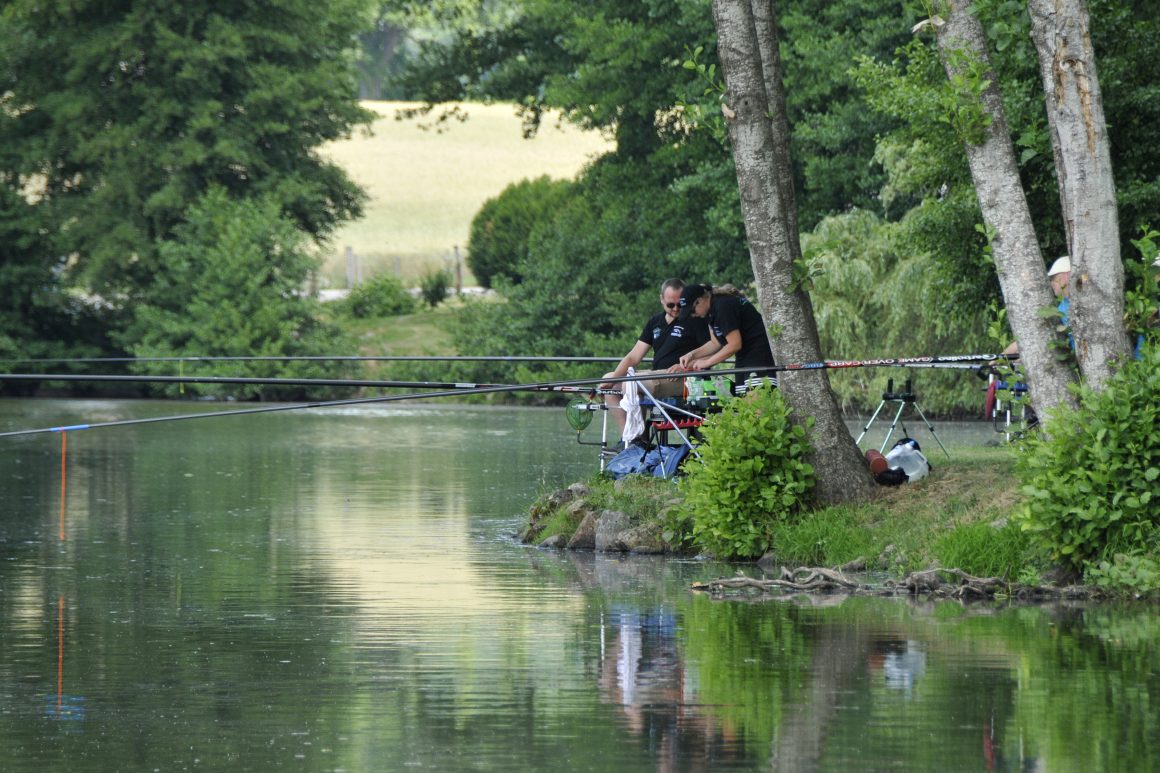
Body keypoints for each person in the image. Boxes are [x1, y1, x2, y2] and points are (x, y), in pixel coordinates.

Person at [599, 278, 710, 444]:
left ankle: (638, 438)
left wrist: (685, 366)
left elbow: (711, 352)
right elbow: (633, 357)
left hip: (684, 379)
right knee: (609, 379)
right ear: (661, 300)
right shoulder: (655, 322)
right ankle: (630, 440)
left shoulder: (695, 319)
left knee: (633, 383)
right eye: (670, 305)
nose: (676, 309)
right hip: (657, 376)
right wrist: (615, 377)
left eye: (680, 304)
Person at [674, 284, 776, 382]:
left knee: (755, 398)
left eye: (692, 311)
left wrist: (706, 363)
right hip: (743, 357)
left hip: (759, 355)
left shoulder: (723, 306)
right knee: (741, 398)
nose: (693, 315)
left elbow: (735, 345)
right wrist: (691, 355)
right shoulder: (710, 312)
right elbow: (715, 343)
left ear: (700, 301)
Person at [1003, 256, 1070, 356]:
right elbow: (1034, 337)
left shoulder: (1065, 307)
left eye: (1053, 278)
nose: (1051, 283)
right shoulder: (1061, 307)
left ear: (1066, 276)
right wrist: (1001, 357)